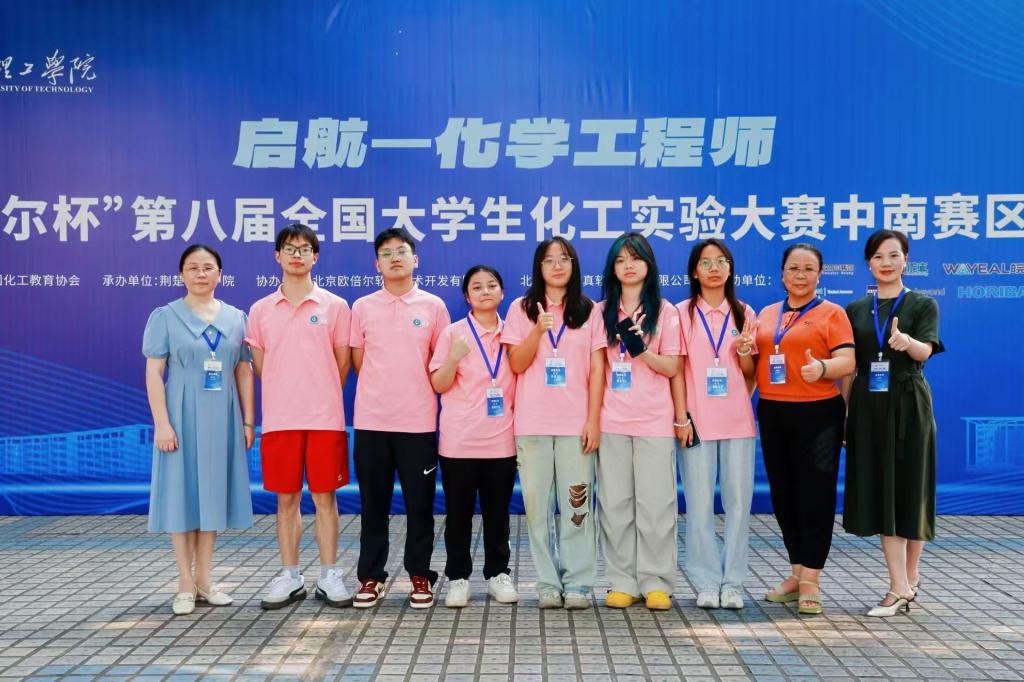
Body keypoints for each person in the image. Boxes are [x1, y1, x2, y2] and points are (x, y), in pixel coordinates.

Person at [143, 244, 255, 616]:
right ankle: (184, 583)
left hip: (222, 416)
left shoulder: (237, 318)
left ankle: (205, 579)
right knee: (182, 495)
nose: (201, 274)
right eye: (193, 267)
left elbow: (243, 371)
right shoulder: (165, 316)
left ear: (220, 274)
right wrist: (162, 423)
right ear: (181, 274)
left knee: (212, 495)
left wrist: (248, 420)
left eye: (208, 267)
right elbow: (154, 373)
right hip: (180, 414)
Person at [246, 224, 353, 610]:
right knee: (286, 498)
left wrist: (319, 392)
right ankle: (290, 575)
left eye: (304, 249)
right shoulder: (260, 310)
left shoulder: (335, 306)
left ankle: (329, 574)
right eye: (290, 248)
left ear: (315, 257)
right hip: (280, 419)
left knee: (325, 497)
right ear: (277, 255)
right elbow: (261, 365)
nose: (297, 255)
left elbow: (342, 363)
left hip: (324, 418)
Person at [841, 230, 944, 617]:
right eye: (878, 257)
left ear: (906, 260)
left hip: (909, 402)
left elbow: (925, 351)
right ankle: (902, 584)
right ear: (868, 263)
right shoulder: (855, 309)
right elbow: (848, 368)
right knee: (885, 490)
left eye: (894, 255)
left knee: (911, 490)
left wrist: (906, 341)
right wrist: (846, 412)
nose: (886, 263)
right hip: (869, 406)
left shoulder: (923, 304)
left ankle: (906, 581)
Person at [349, 227, 450, 609]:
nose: (395, 258)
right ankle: (371, 576)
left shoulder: (433, 307)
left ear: (415, 260)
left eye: (402, 251)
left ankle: (420, 574)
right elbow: (360, 361)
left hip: (418, 423)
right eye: (387, 253)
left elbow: (439, 363)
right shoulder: (362, 307)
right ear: (377, 264)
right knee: (373, 505)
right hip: (372, 422)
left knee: (420, 505)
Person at [503, 236, 606, 609]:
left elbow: (597, 369)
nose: (557, 266)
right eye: (549, 260)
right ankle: (547, 583)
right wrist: (538, 330)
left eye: (564, 259)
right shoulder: (521, 308)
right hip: (532, 424)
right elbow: (516, 364)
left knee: (577, 506)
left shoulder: (590, 310)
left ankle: (578, 583)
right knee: (538, 509)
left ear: (574, 265)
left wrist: (593, 420)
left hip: (576, 425)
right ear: (539, 267)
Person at [753, 243, 855, 616]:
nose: (800, 275)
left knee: (816, 496)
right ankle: (796, 572)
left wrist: (823, 369)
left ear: (819, 275)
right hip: (773, 411)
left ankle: (812, 579)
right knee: (784, 495)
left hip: (818, 413)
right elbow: (756, 360)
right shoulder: (767, 314)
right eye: (794, 268)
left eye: (808, 269)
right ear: (782, 274)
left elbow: (848, 361)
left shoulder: (833, 313)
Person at [595, 234, 681, 611]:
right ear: (612, 269)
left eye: (636, 258)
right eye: (620, 260)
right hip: (612, 420)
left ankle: (656, 580)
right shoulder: (601, 312)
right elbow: (594, 370)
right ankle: (622, 580)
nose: (628, 266)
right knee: (615, 503)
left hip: (654, 421)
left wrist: (641, 351)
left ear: (649, 265)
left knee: (656, 504)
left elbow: (673, 367)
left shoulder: (666, 312)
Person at [672, 238, 758, 610]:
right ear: (694, 271)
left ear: (730, 269)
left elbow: (750, 373)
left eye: (721, 261)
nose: (714, 268)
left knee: (738, 505)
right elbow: (676, 370)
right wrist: (681, 417)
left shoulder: (744, 312)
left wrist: (744, 352)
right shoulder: (680, 314)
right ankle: (706, 581)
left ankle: (733, 583)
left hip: (737, 422)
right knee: (699, 504)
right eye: (706, 262)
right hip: (697, 423)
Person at [429, 265, 519, 608]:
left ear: (502, 292)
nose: (485, 292)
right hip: (459, 441)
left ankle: (498, 574)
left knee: (498, 515)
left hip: (501, 440)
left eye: (491, 285)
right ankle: (458, 578)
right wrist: (453, 358)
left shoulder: (513, 334)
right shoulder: (453, 333)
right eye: (477, 287)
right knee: (459, 515)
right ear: (467, 296)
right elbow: (439, 384)